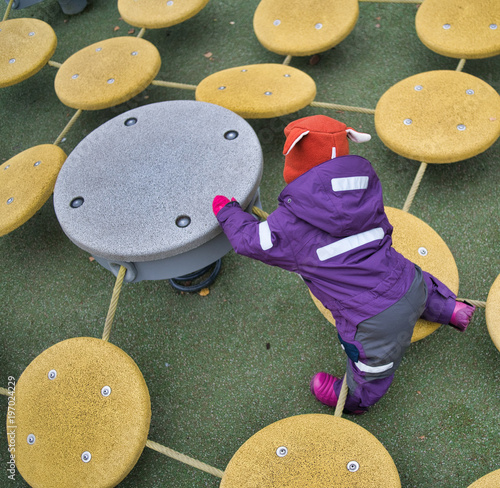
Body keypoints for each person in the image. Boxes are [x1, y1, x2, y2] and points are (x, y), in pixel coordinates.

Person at [212, 115, 475, 414]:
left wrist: (228, 211)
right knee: (417, 283)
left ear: (296, 156)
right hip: (407, 280)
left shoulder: (288, 223)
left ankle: (355, 399)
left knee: (372, 365)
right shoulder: (365, 189)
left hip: (372, 319)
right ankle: (450, 308)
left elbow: (252, 241)